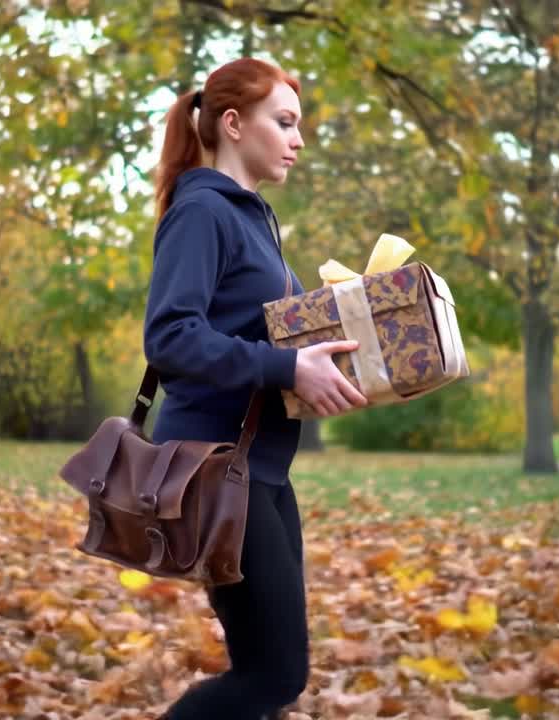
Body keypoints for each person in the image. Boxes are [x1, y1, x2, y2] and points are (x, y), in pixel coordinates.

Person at [143, 58, 368, 719]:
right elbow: (170, 337)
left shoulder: (252, 222)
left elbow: (278, 336)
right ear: (234, 125)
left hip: (260, 469)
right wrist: (288, 369)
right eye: (286, 122)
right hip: (214, 467)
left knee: (267, 676)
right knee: (273, 675)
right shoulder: (203, 212)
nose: (298, 140)